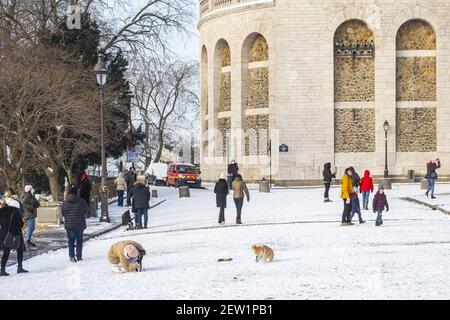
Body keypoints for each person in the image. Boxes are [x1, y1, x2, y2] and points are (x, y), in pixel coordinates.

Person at [0, 197, 28, 276]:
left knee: (6, 252)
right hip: (16, 234)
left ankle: (2, 270)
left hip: (4, 234)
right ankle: (19, 267)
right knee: (19, 250)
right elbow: (20, 223)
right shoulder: (15, 210)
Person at [62, 186, 88, 262]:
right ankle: (79, 256)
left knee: (71, 240)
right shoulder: (82, 201)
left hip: (69, 225)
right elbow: (86, 211)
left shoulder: (65, 202)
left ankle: (71, 256)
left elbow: (63, 213)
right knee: (79, 240)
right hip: (80, 224)